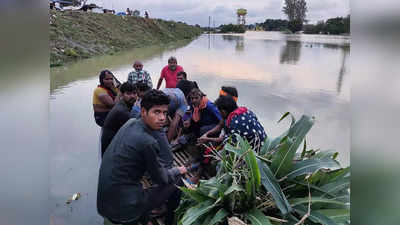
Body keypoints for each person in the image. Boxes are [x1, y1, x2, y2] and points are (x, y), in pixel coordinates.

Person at [97, 90, 188, 225]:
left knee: (138, 185)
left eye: (164, 112)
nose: (162, 118)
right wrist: (177, 170)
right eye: (156, 112)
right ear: (144, 112)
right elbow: (162, 179)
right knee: (178, 181)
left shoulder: (131, 122)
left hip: (104, 205)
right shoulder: (147, 142)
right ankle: (170, 222)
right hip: (124, 210)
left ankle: (144, 217)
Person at [100, 82, 137, 157]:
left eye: (134, 93)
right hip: (111, 149)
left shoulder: (123, 104)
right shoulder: (122, 111)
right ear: (122, 95)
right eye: (128, 94)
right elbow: (132, 133)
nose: (132, 96)